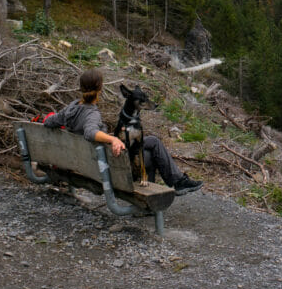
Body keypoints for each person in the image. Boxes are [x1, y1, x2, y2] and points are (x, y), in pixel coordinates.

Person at [46, 68, 202, 195]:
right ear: (100, 88)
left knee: (151, 142)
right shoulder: (91, 113)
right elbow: (90, 132)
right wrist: (113, 139)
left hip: (84, 161)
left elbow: (49, 121)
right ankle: (173, 186)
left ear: (81, 87)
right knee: (150, 152)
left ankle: (177, 182)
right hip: (106, 166)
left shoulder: (72, 107)